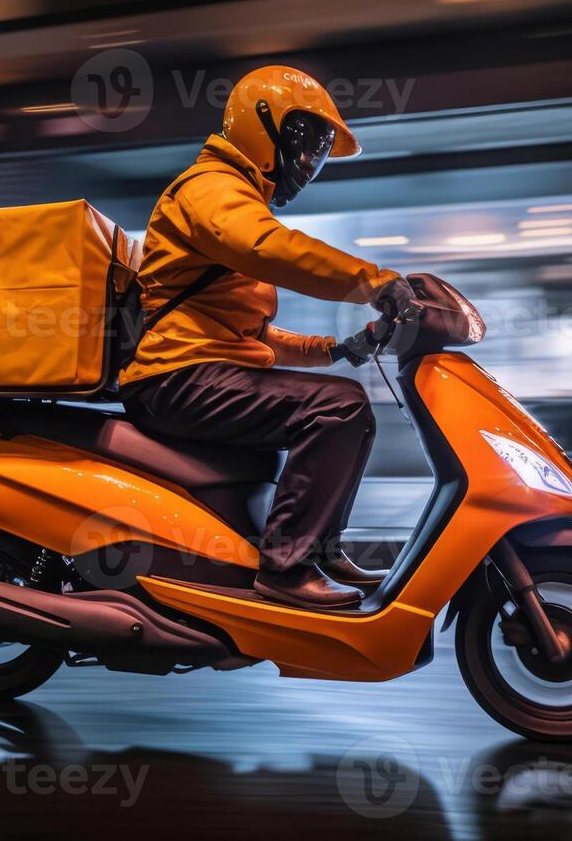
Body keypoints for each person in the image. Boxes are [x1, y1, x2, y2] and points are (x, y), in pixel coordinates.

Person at [119, 65, 415, 610]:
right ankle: (286, 570)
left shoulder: (236, 197)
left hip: (200, 373)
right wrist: (375, 283)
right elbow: (269, 249)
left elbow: (251, 336)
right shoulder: (210, 189)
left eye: (319, 153)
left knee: (348, 403)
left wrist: (335, 350)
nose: (309, 164)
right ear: (264, 126)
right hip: (174, 378)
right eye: (307, 144)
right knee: (339, 411)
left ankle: (318, 549)